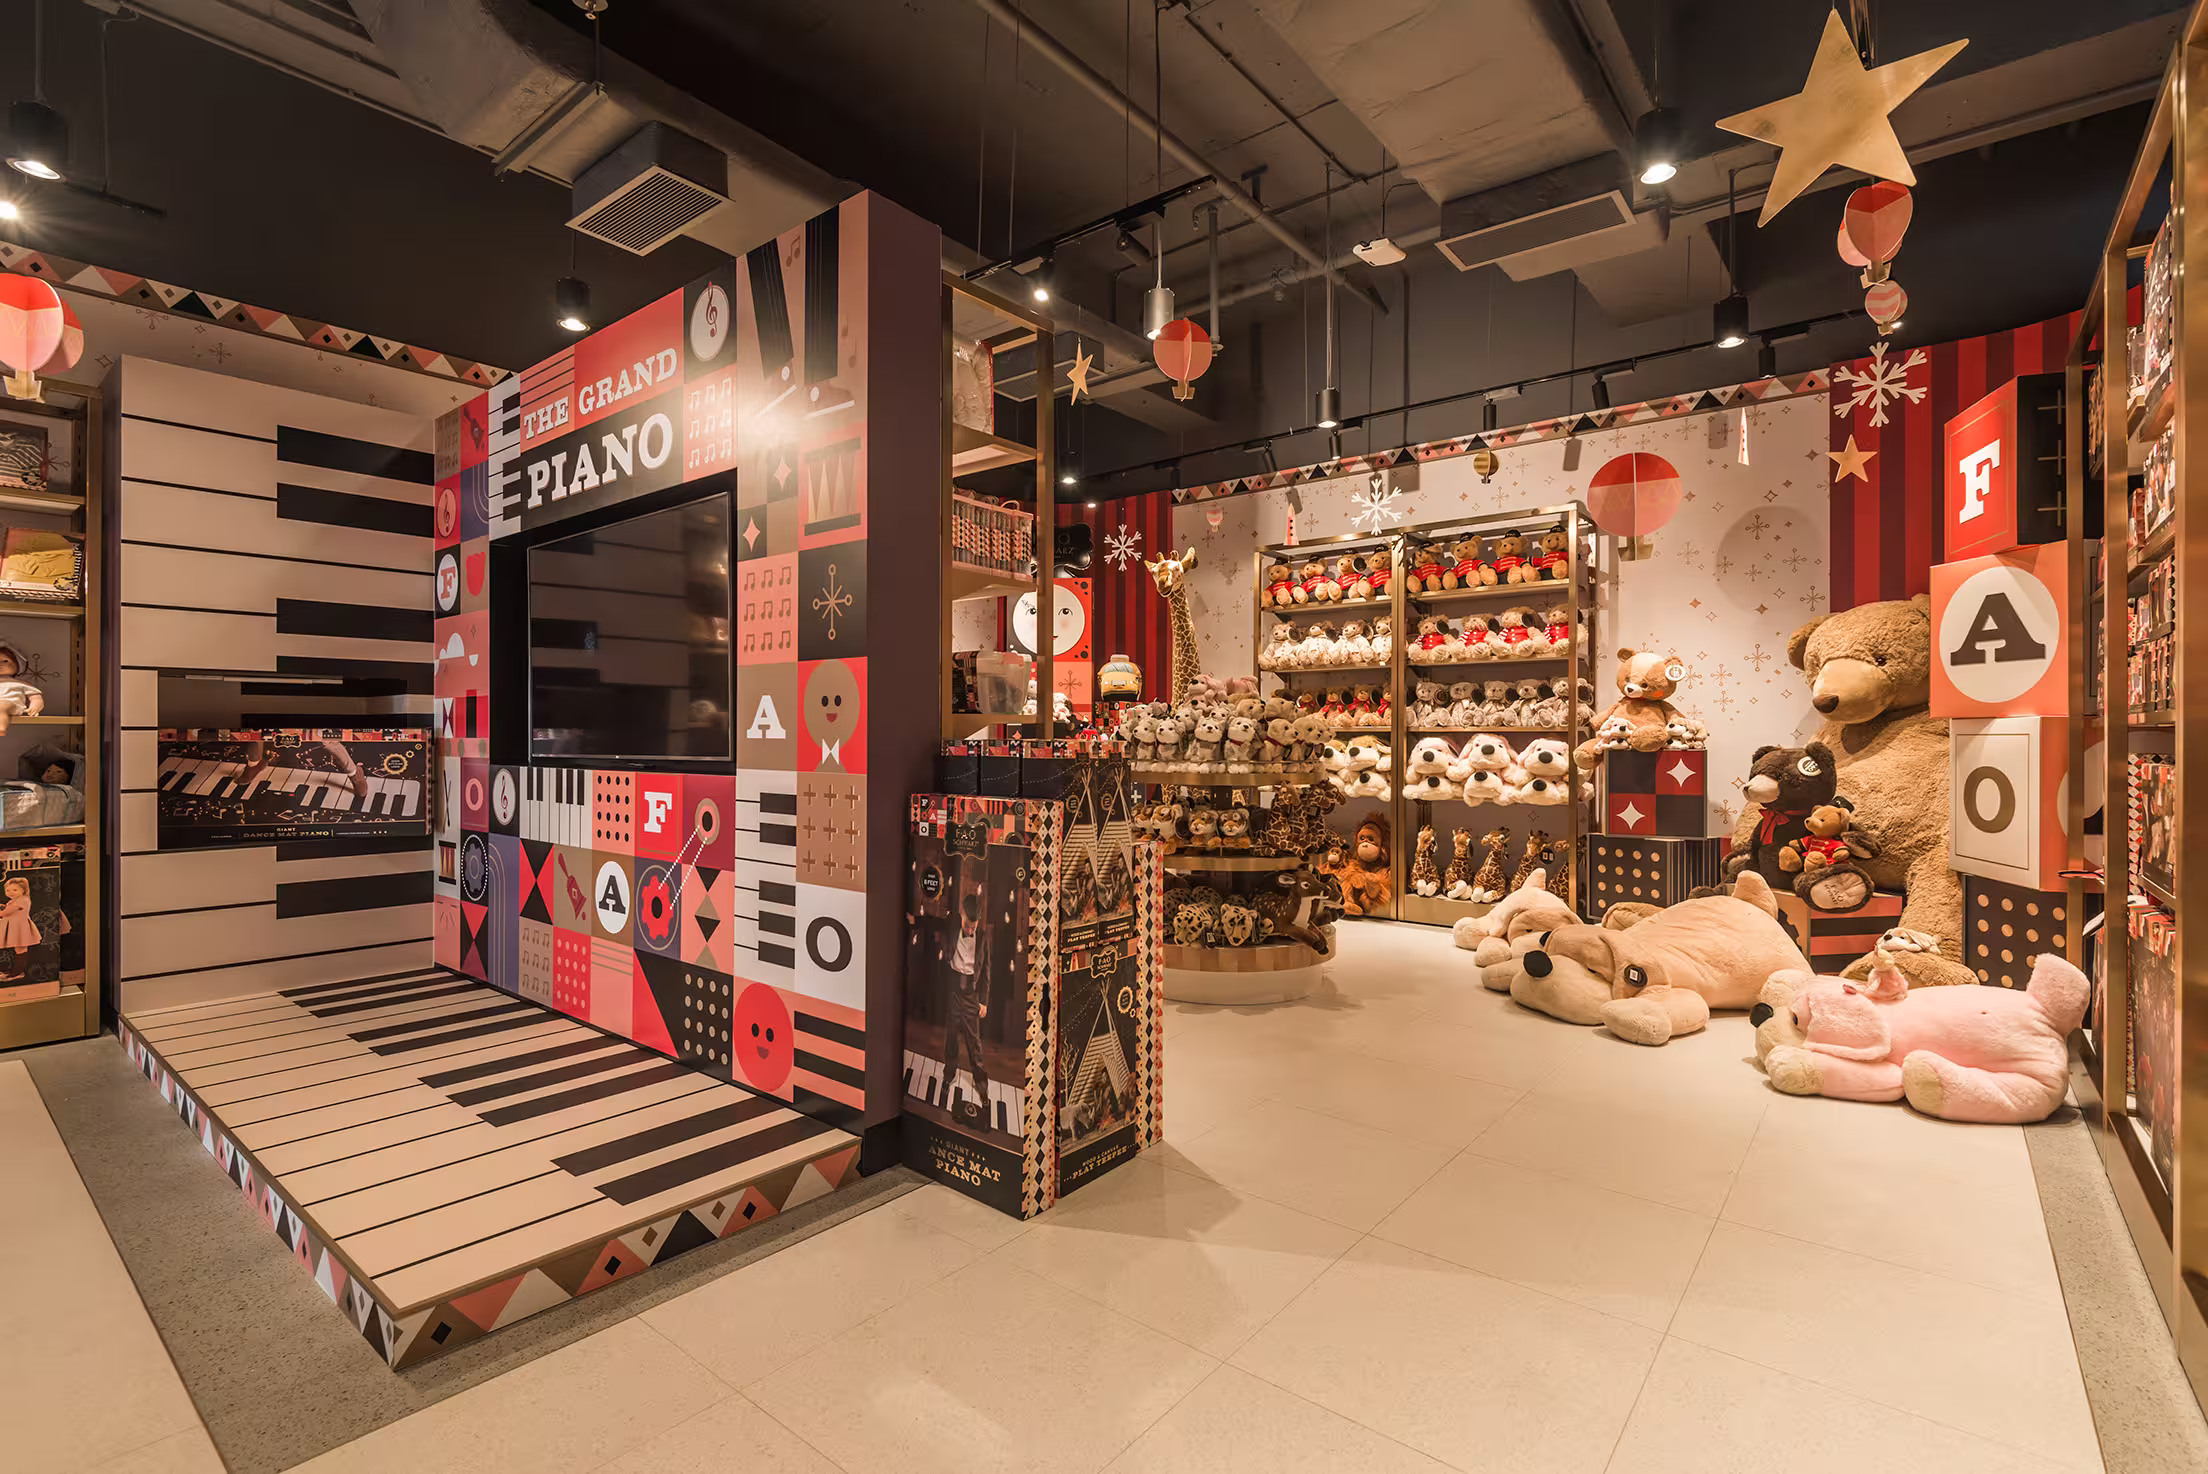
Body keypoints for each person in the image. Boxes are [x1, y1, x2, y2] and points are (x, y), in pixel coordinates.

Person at [943, 890, 992, 1125]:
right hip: (952, 988)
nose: (970, 930)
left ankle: (981, 1086)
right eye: (967, 925)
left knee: (974, 1042)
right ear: (961, 915)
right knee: (951, 1035)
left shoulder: (982, 938)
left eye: (973, 926)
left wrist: (984, 1001)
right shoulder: (952, 924)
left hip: (972, 995)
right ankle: (949, 1073)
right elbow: (932, 922)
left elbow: (987, 971)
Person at [0, 874, 40, 976]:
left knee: (20, 948)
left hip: (19, 927)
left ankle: (18, 971)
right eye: (8, 890)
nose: (10, 893)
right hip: (15, 927)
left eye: (14, 890)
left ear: (23, 890)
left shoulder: (22, 900)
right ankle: (16, 970)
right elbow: (10, 909)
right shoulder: (16, 900)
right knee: (18, 948)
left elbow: (5, 913)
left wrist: (3, 910)